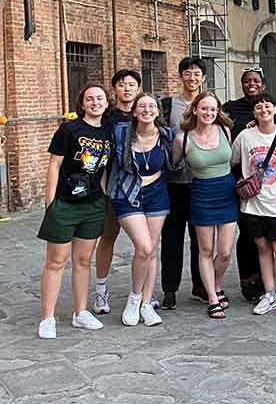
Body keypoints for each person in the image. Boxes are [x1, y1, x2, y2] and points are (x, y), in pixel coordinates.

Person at [37, 84, 112, 339]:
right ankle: (47, 317)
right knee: (56, 261)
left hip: (92, 205)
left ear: (106, 102)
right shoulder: (69, 129)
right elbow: (54, 165)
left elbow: (103, 170)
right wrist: (50, 203)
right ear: (82, 103)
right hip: (65, 204)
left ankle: (80, 313)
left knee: (83, 261)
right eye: (89, 99)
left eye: (99, 98)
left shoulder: (108, 131)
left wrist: (102, 198)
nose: (95, 103)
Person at [108, 93, 177, 327]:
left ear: (158, 111)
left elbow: (176, 161)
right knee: (144, 247)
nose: (147, 110)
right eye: (142, 106)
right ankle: (134, 298)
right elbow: (106, 160)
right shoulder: (120, 132)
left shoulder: (167, 135)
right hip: (128, 193)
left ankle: (147, 304)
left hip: (157, 194)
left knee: (151, 250)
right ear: (135, 111)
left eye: (151, 106)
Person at [232, 93, 276, 315]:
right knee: (263, 248)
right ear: (253, 113)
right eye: (259, 107)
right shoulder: (245, 136)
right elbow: (234, 160)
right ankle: (270, 292)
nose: (264, 110)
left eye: (268, 106)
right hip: (253, 204)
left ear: (275, 110)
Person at [223, 67, 276, 303]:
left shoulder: (275, 108)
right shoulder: (231, 108)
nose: (251, 83)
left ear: (263, 85)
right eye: (247, 80)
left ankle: (269, 280)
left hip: (271, 184)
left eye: (256, 80)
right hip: (244, 182)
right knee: (249, 235)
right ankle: (249, 280)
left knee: (270, 235)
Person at [173, 91, 237, 320]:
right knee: (206, 250)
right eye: (204, 108)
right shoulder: (183, 138)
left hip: (227, 192)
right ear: (195, 110)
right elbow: (173, 166)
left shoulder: (226, 130)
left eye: (213, 109)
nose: (209, 113)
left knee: (226, 252)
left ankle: (216, 284)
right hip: (201, 193)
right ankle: (211, 297)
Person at [93, 69, 142, 316]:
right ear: (115, 89)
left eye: (132, 84)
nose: (127, 89)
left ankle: (142, 294)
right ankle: (101, 290)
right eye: (122, 85)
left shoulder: (144, 112)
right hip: (112, 186)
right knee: (108, 238)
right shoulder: (107, 117)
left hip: (141, 187)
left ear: (138, 88)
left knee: (145, 245)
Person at [159, 57, 205, 310]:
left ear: (203, 77)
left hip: (201, 181)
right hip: (174, 182)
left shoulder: (209, 104)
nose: (192, 77)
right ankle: (170, 289)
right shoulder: (168, 106)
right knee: (172, 238)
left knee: (202, 238)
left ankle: (200, 286)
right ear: (180, 76)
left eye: (196, 73)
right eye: (187, 73)